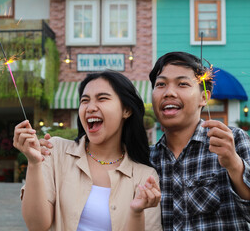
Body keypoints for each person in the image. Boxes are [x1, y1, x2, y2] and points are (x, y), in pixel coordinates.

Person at [40, 52, 250, 230]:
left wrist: (234, 165)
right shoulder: (146, 159)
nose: (169, 92)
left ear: (204, 97)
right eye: (161, 84)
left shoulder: (232, 141)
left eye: (183, 84)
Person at [13, 71, 162, 231]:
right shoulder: (55, 151)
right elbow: (36, 225)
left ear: (126, 110)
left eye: (102, 98)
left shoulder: (145, 176)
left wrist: (136, 212)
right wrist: (34, 163)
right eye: (85, 101)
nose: (90, 108)